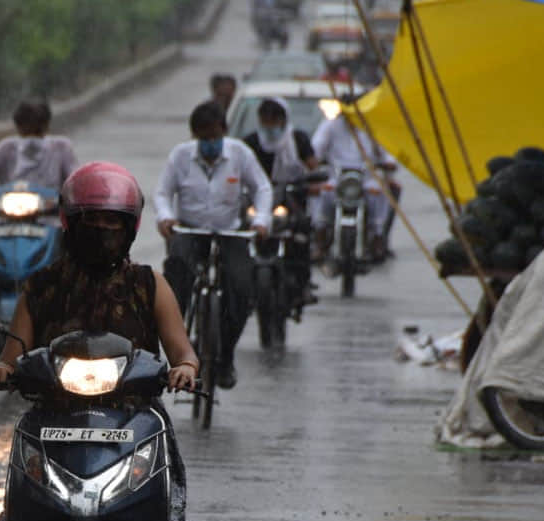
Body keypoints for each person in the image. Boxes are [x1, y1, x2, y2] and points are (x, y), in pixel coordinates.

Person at [0, 161, 199, 521]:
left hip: (133, 414)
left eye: (111, 223)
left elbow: (184, 351)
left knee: (169, 494)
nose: (101, 231)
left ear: (130, 229)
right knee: (17, 495)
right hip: (53, 414)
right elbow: (11, 354)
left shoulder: (148, 284)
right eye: (91, 222)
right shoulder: (41, 287)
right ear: (70, 224)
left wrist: (185, 370)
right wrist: (2, 371)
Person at [153, 100, 272, 390]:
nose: (210, 143)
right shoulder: (180, 156)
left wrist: (261, 221)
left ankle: (225, 355)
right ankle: (178, 349)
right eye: (203, 138)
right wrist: (167, 218)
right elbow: (162, 193)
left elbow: (262, 188)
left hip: (230, 233)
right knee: (176, 278)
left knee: (242, 289)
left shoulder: (240, 154)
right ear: (194, 136)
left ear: (224, 132)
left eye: (214, 137)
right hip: (190, 231)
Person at [0, 100, 78, 302]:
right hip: (6, 223)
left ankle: (74, 303)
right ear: (18, 126)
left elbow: (75, 180)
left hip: (50, 224)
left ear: (46, 125)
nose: (31, 131)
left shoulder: (62, 148)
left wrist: (74, 197)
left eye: (37, 126)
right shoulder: (6, 148)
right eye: (26, 124)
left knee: (77, 250)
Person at [242, 97, 320, 306]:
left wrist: (315, 184)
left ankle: (303, 283)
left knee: (302, 231)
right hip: (257, 200)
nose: (269, 127)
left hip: (291, 197)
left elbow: (315, 167)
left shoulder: (298, 140)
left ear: (283, 120)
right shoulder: (250, 142)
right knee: (239, 230)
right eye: (264, 121)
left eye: (273, 121)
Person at [309, 98, 398, 263]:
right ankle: (320, 238)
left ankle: (378, 235)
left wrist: (389, 162)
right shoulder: (331, 125)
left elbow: (386, 149)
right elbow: (316, 147)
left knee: (378, 193)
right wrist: (314, 159)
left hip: (365, 179)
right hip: (338, 179)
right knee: (323, 192)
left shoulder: (371, 127)